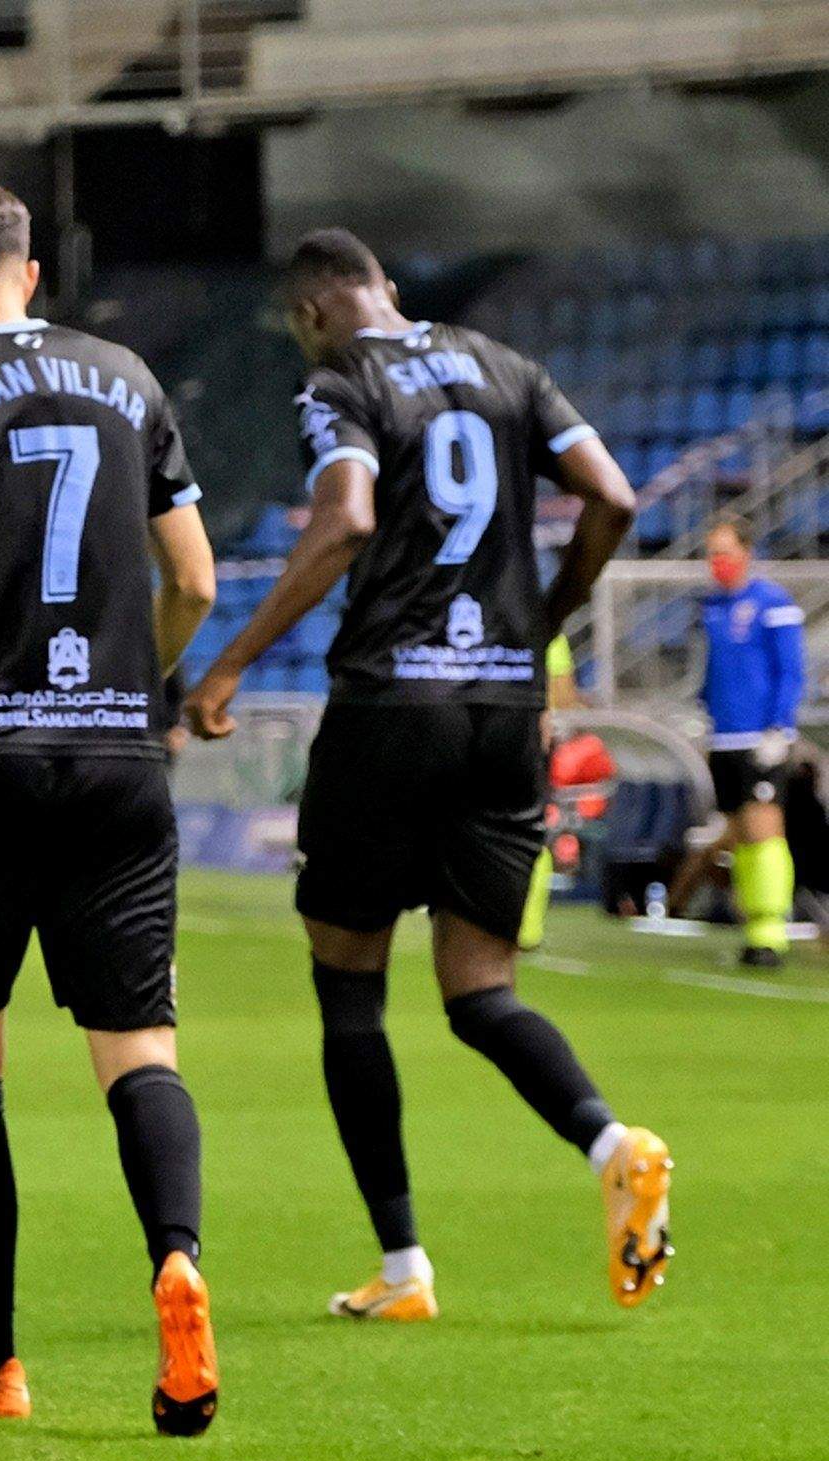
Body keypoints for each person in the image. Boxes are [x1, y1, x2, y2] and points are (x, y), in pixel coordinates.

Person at [185, 228, 669, 1321]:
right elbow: (615, 497)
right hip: (505, 708)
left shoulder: (340, 379)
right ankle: (612, 1146)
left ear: (313, 312)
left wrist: (229, 662)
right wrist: (543, 619)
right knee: (481, 990)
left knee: (348, 982)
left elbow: (348, 515)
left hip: (392, 705)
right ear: (389, 288)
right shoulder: (507, 367)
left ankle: (404, 1266)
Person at [0, 175, 225, 1436]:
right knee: (140, 1047)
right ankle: (176, 1257)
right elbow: (195, 578)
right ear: (30, 271)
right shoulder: (128, 377)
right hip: (119, 758)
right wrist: (135, 687)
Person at [668, 522, 805, 966]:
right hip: (723, 737)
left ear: (747, 552)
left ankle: (770, 932)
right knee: (741, 835)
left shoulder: (773, 604)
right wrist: (702, 710)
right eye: (711, 553)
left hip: (759, 737)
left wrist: (779, 726)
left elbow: (790, 670)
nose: (717, 562)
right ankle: (753, 929)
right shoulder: (710, 608)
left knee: (764, 830)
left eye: (724, 552)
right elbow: (711, 670)